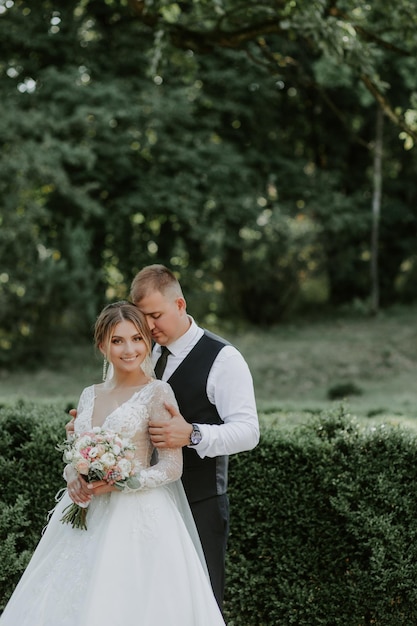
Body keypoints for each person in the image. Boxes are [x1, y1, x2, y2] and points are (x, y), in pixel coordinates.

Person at [0, 301, 225, 626]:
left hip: (139, 513)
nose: (129, 348)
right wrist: (73, 478)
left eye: (136, 338)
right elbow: (76, 452)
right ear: (102, 344)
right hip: (87, 510)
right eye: (117, 340)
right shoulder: (89, 395)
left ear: (147, 342)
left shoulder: (158, 393)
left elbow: (171, 466)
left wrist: (124, 481)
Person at [68, 264, 260, 609]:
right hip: (129, 505)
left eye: (155, 315)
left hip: (199, 499)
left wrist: (194, 434)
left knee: (195, 603)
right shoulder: (142, 351)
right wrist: (91, 429)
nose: (149, 327)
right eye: (143, 318)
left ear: (180, 305)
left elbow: (249, 431)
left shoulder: (224, 359)